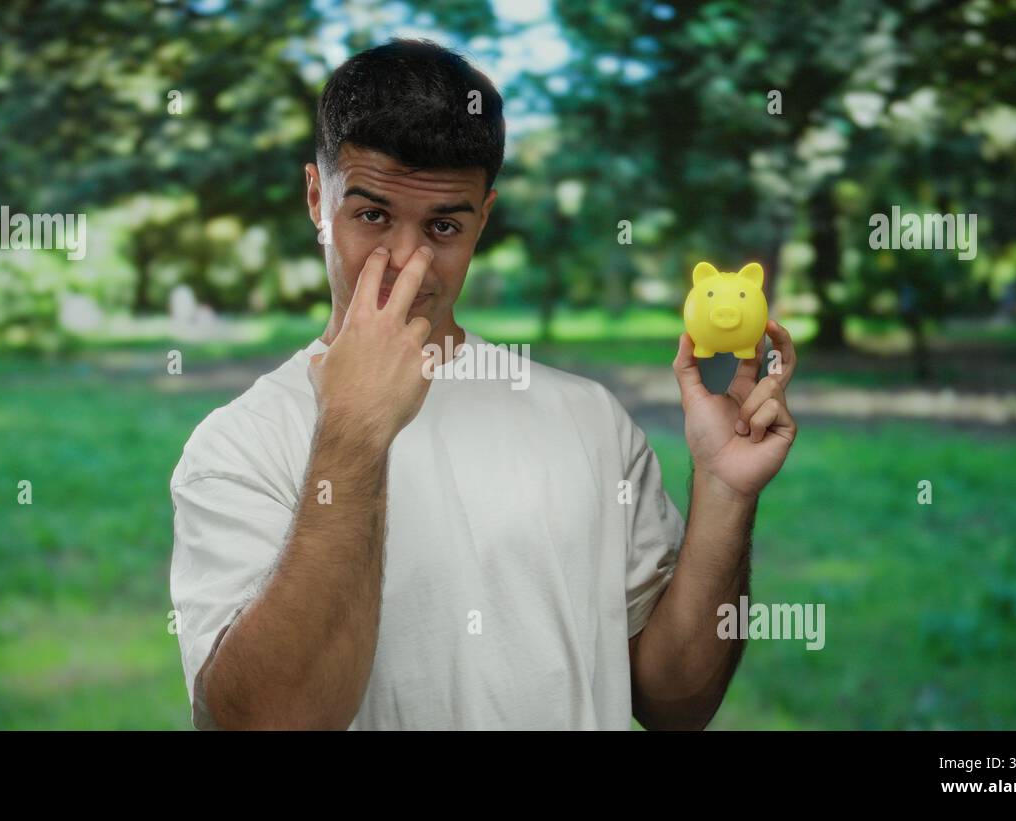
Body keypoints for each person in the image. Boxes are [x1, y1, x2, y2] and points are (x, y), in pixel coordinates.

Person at [169, 39, 799, 730]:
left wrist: (724, 489)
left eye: (443, 225)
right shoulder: (236, 446)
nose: (407, 261)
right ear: (318, 198)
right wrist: (353, 433)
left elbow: (675, 702)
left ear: (484, 219)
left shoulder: (588, 420)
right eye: (372, 214)